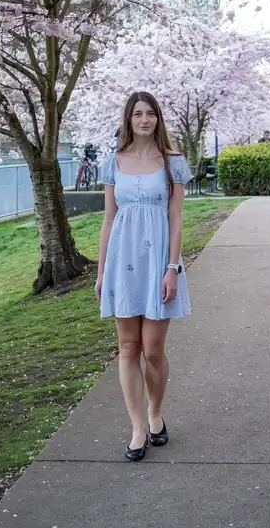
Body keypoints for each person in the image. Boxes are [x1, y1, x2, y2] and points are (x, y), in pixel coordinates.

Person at [96, 91, 192, 462]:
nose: (144, 120)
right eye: (137, 114)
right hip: (122, 263)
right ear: (128, 119)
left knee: (152, 351)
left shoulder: (173, 163)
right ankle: (137, 427)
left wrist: (172, 268)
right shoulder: (113, 163)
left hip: (158, 263)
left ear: (158, 119)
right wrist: (102, 272)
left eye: (151, 113)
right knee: (127, 347)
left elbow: (176, 219)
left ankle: (156, 411)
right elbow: (108, 220)